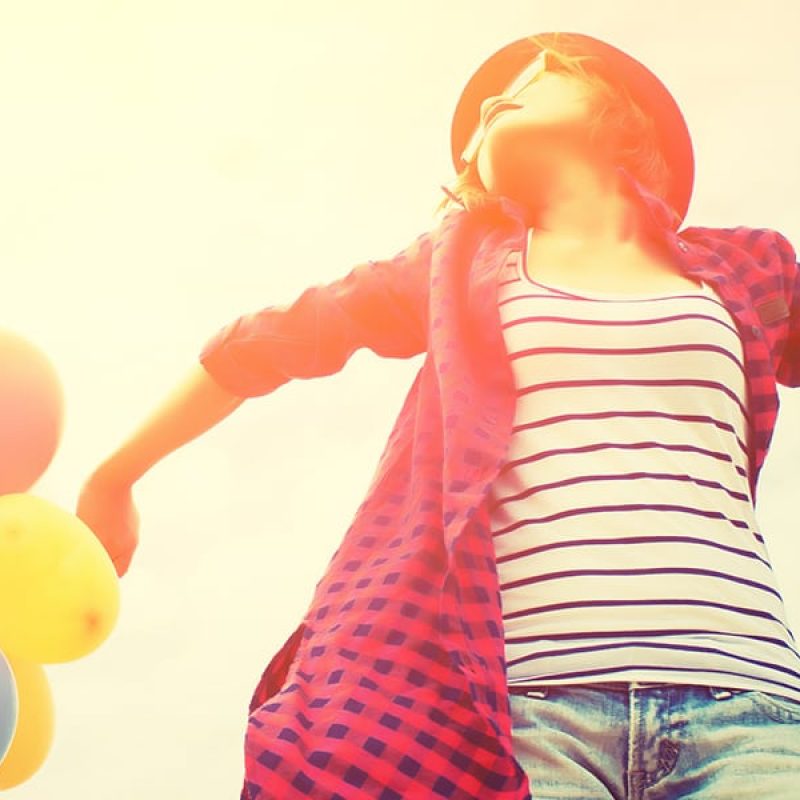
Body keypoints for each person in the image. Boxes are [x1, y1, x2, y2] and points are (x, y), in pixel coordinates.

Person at [77, 31, 800, 800]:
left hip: (748, 710)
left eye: (530, 80)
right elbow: (263, 343)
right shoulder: (456, 265)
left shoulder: (749, 267)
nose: (491, 101)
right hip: (531, 725)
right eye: (486, 112)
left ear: (614, 110)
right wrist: (114, 475)